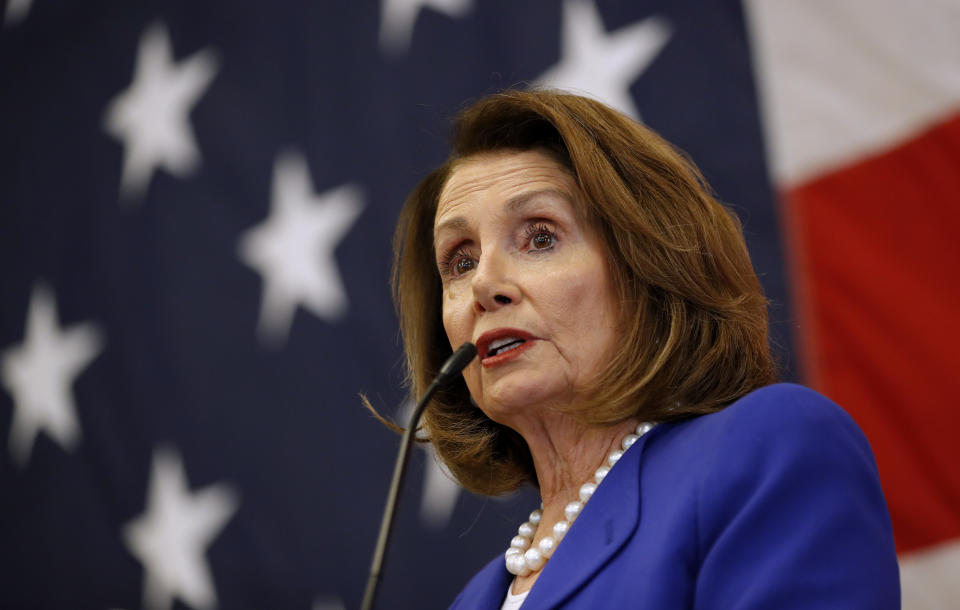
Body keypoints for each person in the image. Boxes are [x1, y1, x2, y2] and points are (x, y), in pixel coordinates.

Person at [389, 89, 899, 609]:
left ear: (645, 270)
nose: (484, 285)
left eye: (540, 237)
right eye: (459, 260)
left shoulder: (768, 451)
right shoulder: (472, 600)